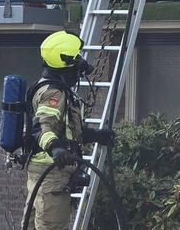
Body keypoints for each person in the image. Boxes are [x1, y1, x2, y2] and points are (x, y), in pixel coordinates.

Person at [23, 31, 114, 230]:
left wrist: (96, 135)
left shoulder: (47, 86)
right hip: (52, 174)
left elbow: (67, 131)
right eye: (77, 60)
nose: (80, 66)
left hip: (41, 173)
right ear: (65, 62)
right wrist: (55, 148)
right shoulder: (54, 92)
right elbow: (42, 127)